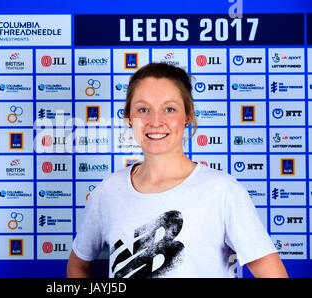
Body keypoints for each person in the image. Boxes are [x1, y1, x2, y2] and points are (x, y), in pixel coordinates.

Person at [67, 62, 288, 278]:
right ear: (129, 118)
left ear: (187, 116)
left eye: (169, 109)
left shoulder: (222, 191)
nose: (155, 121)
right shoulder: (108, 191)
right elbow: (77, 266)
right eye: (143, 109)